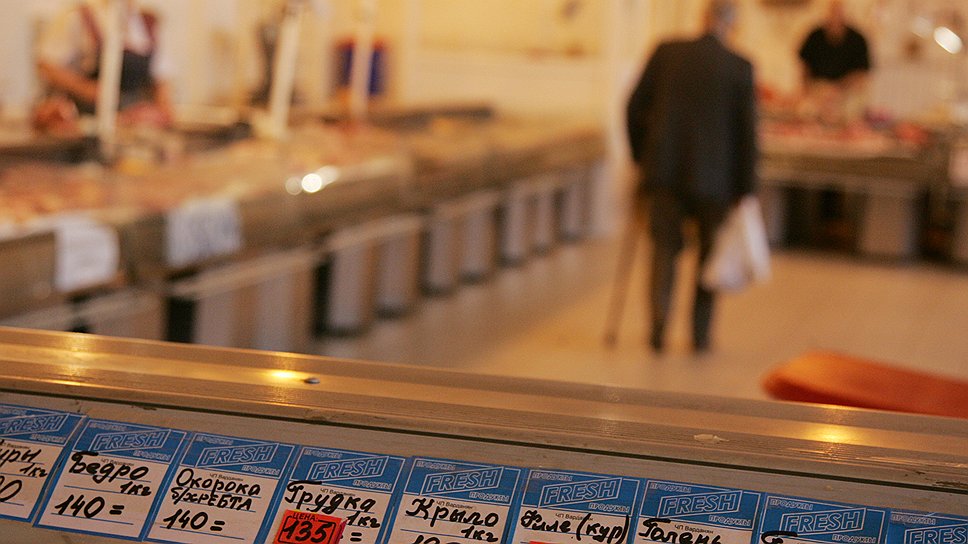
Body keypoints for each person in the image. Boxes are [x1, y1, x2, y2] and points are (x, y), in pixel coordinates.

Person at [625, 0, 757, 353]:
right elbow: (747, 135)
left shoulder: (667, 53)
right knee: (709, 258)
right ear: (733, 25)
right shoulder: (739, 66)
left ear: (704, 18)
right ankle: (700, 335)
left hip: (664, 173)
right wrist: (746, 189)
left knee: (663, 250)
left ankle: (657, 329)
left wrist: (642, 157)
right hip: (716, 182)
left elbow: (633, 108)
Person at [33, 0, 174, 131]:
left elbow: (162, 76)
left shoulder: (145, 23)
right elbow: (46, 65)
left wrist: (161, 111)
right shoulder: (79, 17)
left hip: (132, 120)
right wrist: (88, 89)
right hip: (86, 118)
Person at [798, 0, 870, 88]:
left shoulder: (857, 40)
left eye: (839, 12)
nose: (836, 16)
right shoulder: (814, 37)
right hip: (819, 89)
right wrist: (814, 87)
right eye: (833, 12)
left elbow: (861, 73)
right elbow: (804, 68)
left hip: (848, 91)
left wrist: (838, 87)